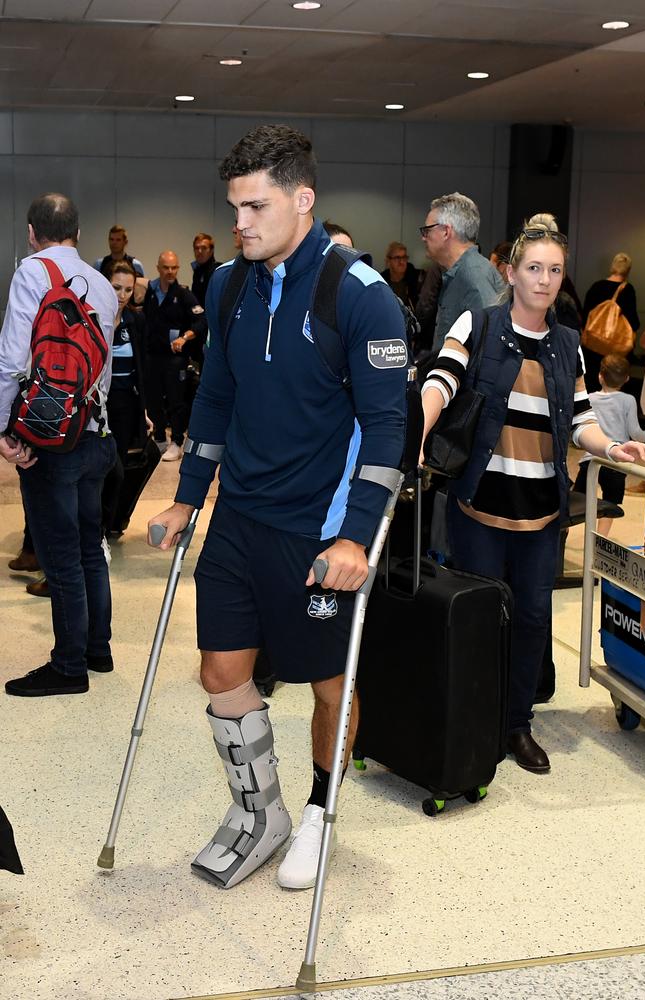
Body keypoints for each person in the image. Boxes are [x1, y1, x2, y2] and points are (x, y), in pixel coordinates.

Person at [148, 123, 407, 891]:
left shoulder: (362, 297)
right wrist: (185, 499)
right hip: (239, 518)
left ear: (303, 200)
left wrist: (357, 537)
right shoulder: (229, 285)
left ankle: (323, 814)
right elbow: (218, 397)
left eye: (257, 207)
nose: (241, 223)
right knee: (221, 671)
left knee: (331, 685)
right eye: (235, 208)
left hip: (321, 528)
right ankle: (263, 812)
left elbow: (391, 426)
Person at [420, 213, 645, 774]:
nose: (544, 280)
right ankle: (474, 718)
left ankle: (516, 724)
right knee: (479, 618)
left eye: (554, 270)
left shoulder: (568, 344)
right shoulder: (480, 323)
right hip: (479, 505)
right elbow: (441, 380)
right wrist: (417, 431)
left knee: (529, 619)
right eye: (533, 268)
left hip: (541, 513)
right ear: (512, 272)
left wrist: (611, 447)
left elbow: (578, 419)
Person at [0, 193, 118, 697]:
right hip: (96, 434)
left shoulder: (33, 272)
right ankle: (98, 649)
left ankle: (69, 667)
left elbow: (11, 360)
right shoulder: (102, 284)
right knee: (90, 547)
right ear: (78, 232)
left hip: (50, 441)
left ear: (32, 232)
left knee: (61, 556)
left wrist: (3, 432)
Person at [101, 261, 151, 534]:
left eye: (128, 290)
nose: (122, 295)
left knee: (118, 470)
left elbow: (141, 369)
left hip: (125, 405)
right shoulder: (94, 317)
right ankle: (97, 526)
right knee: (103, 468)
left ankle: (109, 525)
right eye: (116, 287)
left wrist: (143, 411)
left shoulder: (136, 320)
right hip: (98, 404)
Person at [142, 250, 206, 462]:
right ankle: (159, 437)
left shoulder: (184, 295)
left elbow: (201, 321)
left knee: (176, 401)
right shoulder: (150, 293)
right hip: (153, 358)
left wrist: (185, 338)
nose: (170, 272)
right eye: (166, 267)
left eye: (174, 267)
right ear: (158, 268)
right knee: (153, 401)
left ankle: (177, 441)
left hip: (175, 359)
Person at [421, 192, 504, 354]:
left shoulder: (473, 277)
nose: (424, 238)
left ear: (446, 232)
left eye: (427, 230)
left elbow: (490, 346)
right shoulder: (464, 272)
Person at [573, 354, 645, 535]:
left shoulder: (589, 398)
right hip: (616, 460)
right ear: (627, 379)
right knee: (611, 504)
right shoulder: (628, 400)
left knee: (578, 502)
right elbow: (635, 433)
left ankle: (563, 537)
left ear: (600, 376)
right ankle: (599, 542)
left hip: (590, 459)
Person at [582, 252, 640, 392]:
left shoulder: (596, 286)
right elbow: (634, 322)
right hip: (616, 351)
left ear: (613, 266)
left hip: (593, 347)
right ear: (628, 270)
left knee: (592, 385)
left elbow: (585, 316)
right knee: (613, 386)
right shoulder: (628, 290)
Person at [381, 241, 421, 311]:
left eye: (404, 257)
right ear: (388, 261)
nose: (402, 262)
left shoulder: (416, 280)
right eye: (397, 258)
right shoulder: (382, 283)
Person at [191, 232, 220, 309]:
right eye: (197, 248)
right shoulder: (197, 272)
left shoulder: (218, 271)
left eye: (204, 248)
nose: (200, 251)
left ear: (211, 250)